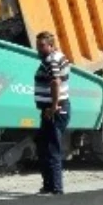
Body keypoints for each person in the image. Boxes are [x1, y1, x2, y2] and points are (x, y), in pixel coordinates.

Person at [33, 31, 71, 195]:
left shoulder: (51, 60)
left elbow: (55, 82)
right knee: (44, 146)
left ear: (51, 45)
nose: (39, 49)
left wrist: (54, 106)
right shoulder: (57, 56)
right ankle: (49, 185)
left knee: (51, 148)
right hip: (52, 109)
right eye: (38, 45)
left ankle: (55, 187)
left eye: (42, 46)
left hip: (54, 110)